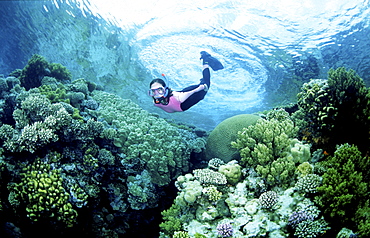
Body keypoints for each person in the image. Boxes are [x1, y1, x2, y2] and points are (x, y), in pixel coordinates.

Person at [148, 51, 223, 113]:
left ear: (165, 89)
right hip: (181, 97)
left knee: (206, 83)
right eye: (153, 91)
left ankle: (205, 60)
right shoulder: (155, 103)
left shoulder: (179, 97)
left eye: (159, 90)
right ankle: (202, 80)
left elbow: (194, 91)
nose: (156, 94)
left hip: (191, 95)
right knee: (202, 82)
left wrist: (202, 87)